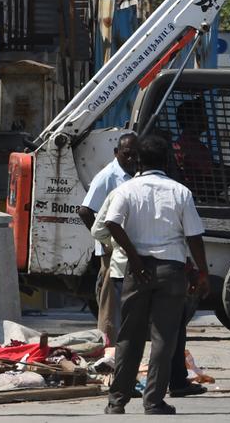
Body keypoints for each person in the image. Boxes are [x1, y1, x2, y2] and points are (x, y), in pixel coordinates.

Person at [103, 135, 209, 415]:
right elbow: (194, 236)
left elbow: (111, 223)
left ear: (138, 160)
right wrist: (202, 272)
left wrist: (135, 258)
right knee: (164, 338)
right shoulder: (180, 192)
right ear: (167, 161)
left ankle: (117, 401)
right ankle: (153, 401)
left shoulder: (127, 190)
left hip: (137, 272)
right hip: (171, 271)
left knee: (129, 336)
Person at [78, 132, 137, 344]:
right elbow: (85, 211)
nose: (131, 159)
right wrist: (105, 242)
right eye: (127, 154)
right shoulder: (107, 176)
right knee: (109, 304)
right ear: (116, 153)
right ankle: (107, 347)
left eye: (135, 155)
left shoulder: (134, 174)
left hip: (129, 248)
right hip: (112, 250)